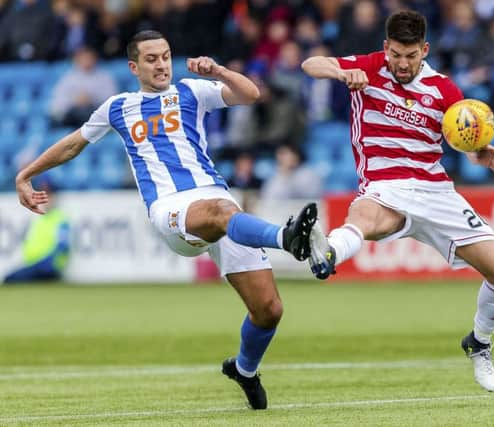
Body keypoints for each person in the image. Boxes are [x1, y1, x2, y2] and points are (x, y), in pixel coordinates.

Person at [15, 30, 320, 410]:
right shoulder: (118, 107)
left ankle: (244, 369)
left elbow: (250, 94)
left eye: (165, 56)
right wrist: (25, 174)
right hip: (170, 208)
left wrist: (220, 72)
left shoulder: (193, 91)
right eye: (152, 59)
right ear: (134, 66)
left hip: (217, 198)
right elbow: (74, 143)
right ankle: (286, 237)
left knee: (269, 309)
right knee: (223, 213)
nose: (161, 65)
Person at [302, 10, 494, 393]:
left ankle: (479, 343)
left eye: (411, 56)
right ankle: (327, 252)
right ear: (386, 48)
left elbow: (459, 134)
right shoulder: (368, 67)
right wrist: (341, 72)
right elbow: (310, 63)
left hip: (436, 191)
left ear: (425, 50)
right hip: (386, 186)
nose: (402, 64)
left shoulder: (444, 89)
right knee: (365, 217)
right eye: (396, 55)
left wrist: (476, 151)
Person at [3, 180, 70, 284]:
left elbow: (63, 246)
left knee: (10, 279)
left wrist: (48, 261)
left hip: (47, 267)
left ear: (55, 197)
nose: (45, 199)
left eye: (49, 195)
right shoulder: (40, 219)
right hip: (33, 264)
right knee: (10, 278)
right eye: (42, 195)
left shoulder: (60, 219)